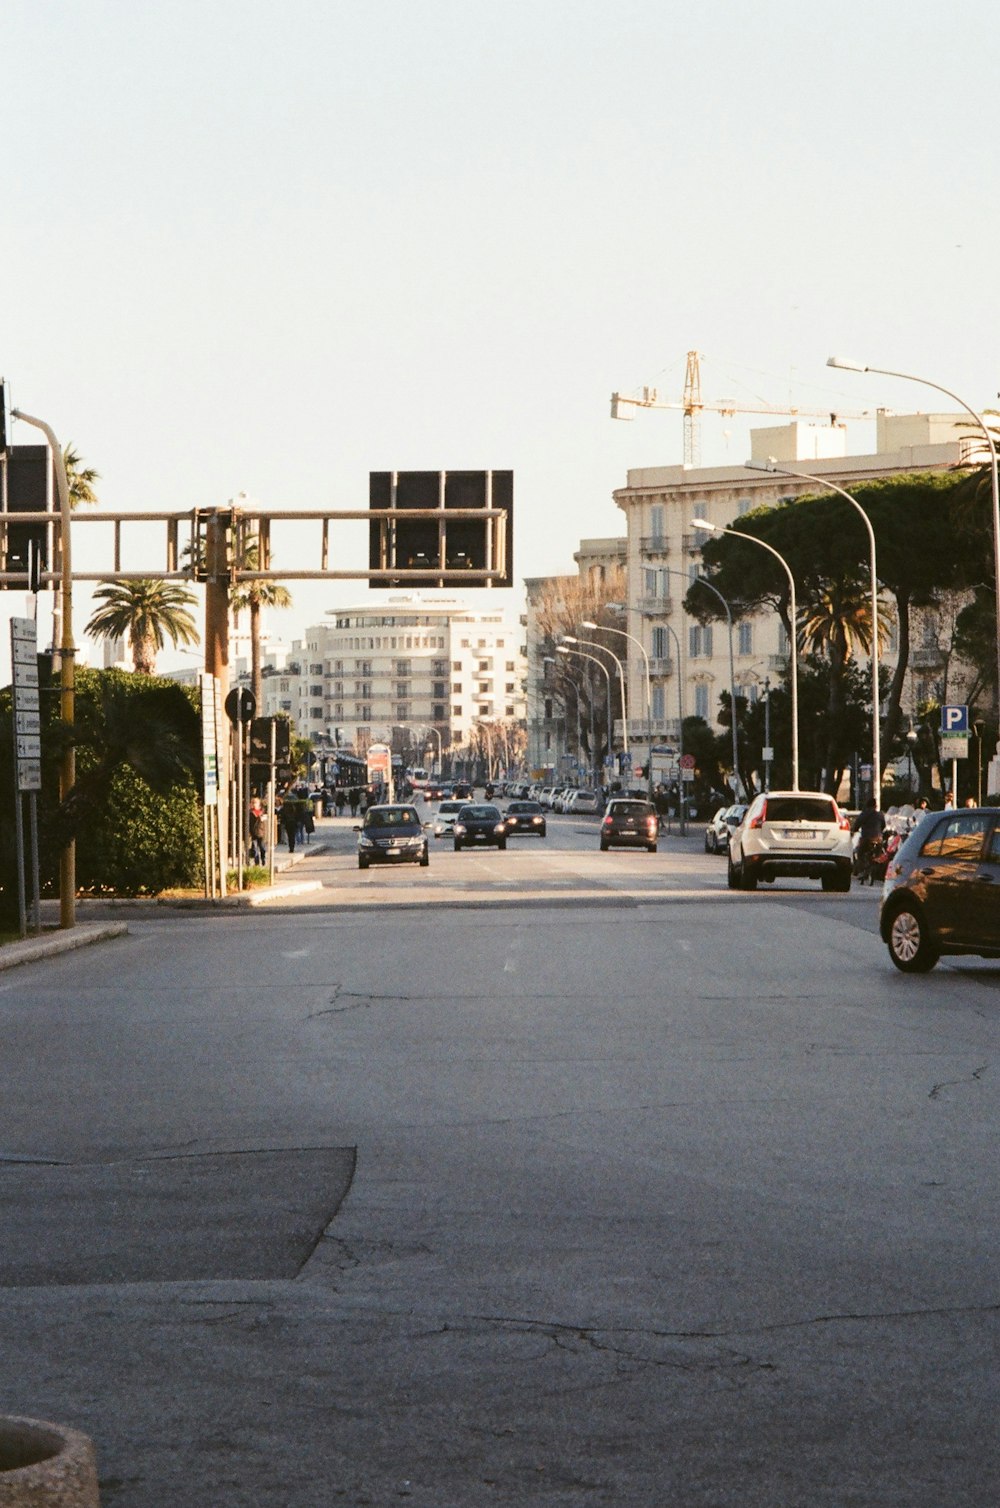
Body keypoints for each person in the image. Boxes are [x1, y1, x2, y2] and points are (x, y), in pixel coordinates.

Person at [853, 798, 886, 880]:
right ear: (875, 805)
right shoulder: (880, 814)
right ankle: (876, 868)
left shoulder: (864, 814)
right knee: (879, 854)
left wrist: (854, 830)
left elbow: (857, 825)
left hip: (866, 839)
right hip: (878, 839)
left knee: (860, 853)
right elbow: (883, 825)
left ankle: (862, 871)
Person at [248, 798, 266, 866]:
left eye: (255, 803)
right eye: (252, 803)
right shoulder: (250, 813)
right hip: (253, 833)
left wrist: (261, 817)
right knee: (255, 849)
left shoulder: (262, 812)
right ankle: (257, 862)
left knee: (262, 848)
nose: (254, 804)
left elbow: (264, 819)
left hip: (261, 833)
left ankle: (263, 858)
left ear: (259, 804)